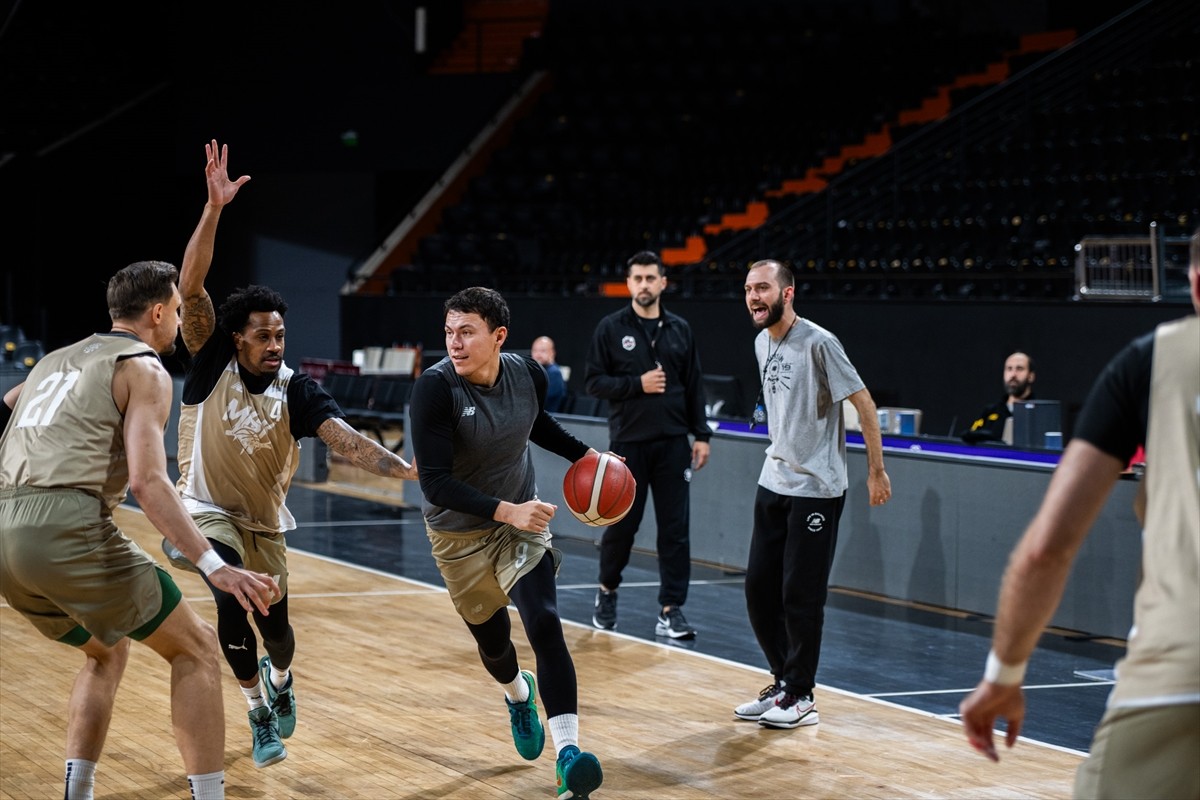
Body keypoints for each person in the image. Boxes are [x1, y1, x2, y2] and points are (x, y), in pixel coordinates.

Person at [162, 140, 418, 769]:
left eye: (280, 334)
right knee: (230, 597)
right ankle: (257, 712)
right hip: (206, 510)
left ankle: (280, 679)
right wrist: (214, 209)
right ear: (237, 338)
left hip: (265, 522)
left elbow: (344, 439)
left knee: (276, 630)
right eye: (263, 335)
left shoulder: (297, 390)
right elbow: (190, 286)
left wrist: (405, 469)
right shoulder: (211, 361)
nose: (275, 343)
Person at [0, 260, 280, 800]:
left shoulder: (52, 362)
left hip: (5, 533)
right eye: (176, 310)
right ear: (157, 312)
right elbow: (148, 482)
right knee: (197, 646)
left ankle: (78, 792)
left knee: (106, 649)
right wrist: (214, 565)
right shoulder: (143, 367)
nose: (178, 321)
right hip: (66, 526)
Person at [959, 237, 1199, 799]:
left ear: (1193, 281)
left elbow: (1047, 548)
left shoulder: (1153, 361)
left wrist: (1004, 675)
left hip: (1179, 672)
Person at [408, 286, 604, 799]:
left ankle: (568, 755)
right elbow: (434, 483)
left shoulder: (528, 374)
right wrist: (507, 510)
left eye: (466, 332)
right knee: (494, 645)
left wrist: (589, 458)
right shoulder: (435, 389)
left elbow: (536, 424)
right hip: (457, 535)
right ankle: (518, 694)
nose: (454, 343)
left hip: (518, 525)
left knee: (545, 621)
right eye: (449, 332)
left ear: (499, 336)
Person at [735, 259, 892, 729]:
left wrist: (877, 471)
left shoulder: (820, 342)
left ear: (787, 293)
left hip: (816, 488)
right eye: (749, 289)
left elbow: (864, 404)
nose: (754, 297)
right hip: (773, 479)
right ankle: (783, 681)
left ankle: (801, 696)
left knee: (799, 595)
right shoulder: (761, 342)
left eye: (763, 288)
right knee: (758, 590)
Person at [582, 250, 711, 639]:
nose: (643, 284)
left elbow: (694, 384)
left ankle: (671, 609)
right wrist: (636, 384)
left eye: (650, 278)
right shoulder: (610, 328)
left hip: (674, 443)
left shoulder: (680, 329)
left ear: (662, 283)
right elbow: (593, 383)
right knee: (622, 528)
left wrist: (701, 434)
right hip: (628, 445)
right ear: (628, 283)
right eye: (637, 278)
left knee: (675, 530)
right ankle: (607, 591)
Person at [960, 351, 1036, 444]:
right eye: (1009, 369)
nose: (1013, 374)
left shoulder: (1039, 413)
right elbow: (971, 436)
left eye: (1019, 369)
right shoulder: (991, 411)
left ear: (1031, 376)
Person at [531, 335, 567, 413]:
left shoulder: (554, 373)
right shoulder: (537, 372)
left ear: (552, 353)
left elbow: (541, 401)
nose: (538, 355)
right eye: (535, 351)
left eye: (543, 351)